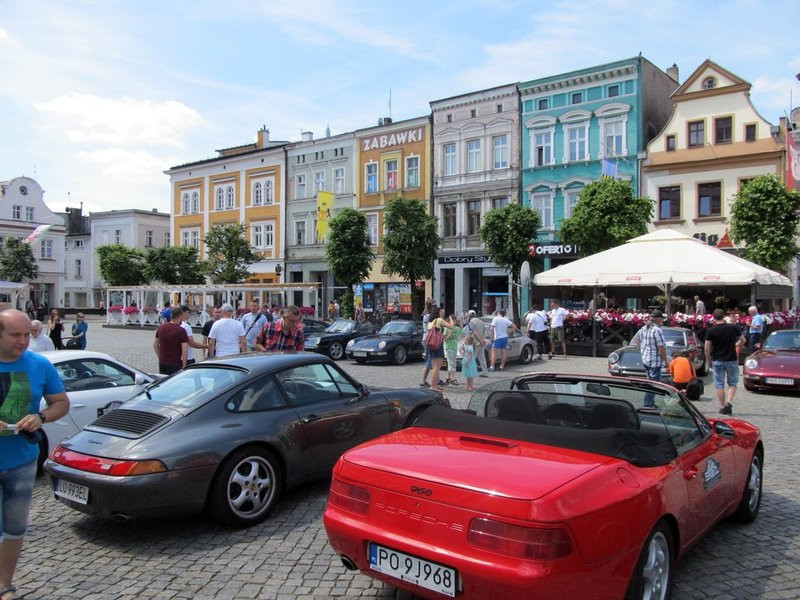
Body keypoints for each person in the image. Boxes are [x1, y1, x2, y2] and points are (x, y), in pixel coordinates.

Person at [0, 310, 70, 600]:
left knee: (15, 529)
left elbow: (61, 403)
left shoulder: (40, 365)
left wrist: (41, 416)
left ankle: (5, 585)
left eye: (27, 334)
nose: (24, 341)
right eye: (16, 335)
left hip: (22, 460)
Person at [705, 308, 746, 415]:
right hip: (731, 359)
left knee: (719, 384)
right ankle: (729, 402)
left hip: (717, 359)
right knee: (732, 383)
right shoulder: (732, 327)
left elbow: (707, 348)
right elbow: (744, 340)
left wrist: (709, 360)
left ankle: (722, 406)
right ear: (724, 316)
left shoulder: (711, 330)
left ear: (714, 317)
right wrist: (736, 345)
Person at [631, 309, 668, 408]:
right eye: (662, 319)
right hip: (654, 361)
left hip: (646, 359)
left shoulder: (645, 327)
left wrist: (643, 351)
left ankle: (649, 402)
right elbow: (661, 348)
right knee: (653, 384)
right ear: (659, 319)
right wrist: (666, 361)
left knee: (650, 382)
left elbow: (637, 341)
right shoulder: (657, 330)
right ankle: (648, 404)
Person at [153, 305, 189, 375]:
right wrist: (184, 365)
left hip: (163, 363)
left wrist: (160, 357)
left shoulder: (161, 327)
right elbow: (185, 350)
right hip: (175, 363)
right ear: (181, 316)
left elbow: (155, 345)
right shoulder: (181, 331)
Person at [419, 300, 444, 388]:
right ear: (430, 306)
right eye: (434, 305)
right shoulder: (429, 316)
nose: (436, 307)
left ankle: (436, 380)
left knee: (434, 362)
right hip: (430, 339)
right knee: (430, 361)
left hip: (430, 338)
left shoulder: (429, 315)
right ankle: (423, 381)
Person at [425, 316, 448, 392]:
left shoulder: (430, 322)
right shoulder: (439, 320)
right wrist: (451, 319)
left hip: (431, 345)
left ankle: (435, 384)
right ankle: (433, 385)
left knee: (434, 366)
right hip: (438, 345)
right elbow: (451, 326)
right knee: (437, 367)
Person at [467, 310, 489, 377]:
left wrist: (480, 341)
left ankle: (471, 372)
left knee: (472, 357)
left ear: (469, 316)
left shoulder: (471, 322)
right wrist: (482, 340)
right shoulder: (481, 321)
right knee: (482, 358)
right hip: (481, 343)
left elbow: (474, 332)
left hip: (475, 342)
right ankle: (485, 372)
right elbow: (484, 332)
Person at [443, 315, 462, 386]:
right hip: (448, 347)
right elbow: (444, 339)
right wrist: (450, 333)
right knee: (452, 363)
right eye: (452, 321)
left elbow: (462, 334)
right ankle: (454, 378)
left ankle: (448, 377)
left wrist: (458, 338)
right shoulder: (447, 328)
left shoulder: (457, 328)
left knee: (452, 362)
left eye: (454, 321)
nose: (453, 323)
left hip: (454, 347)